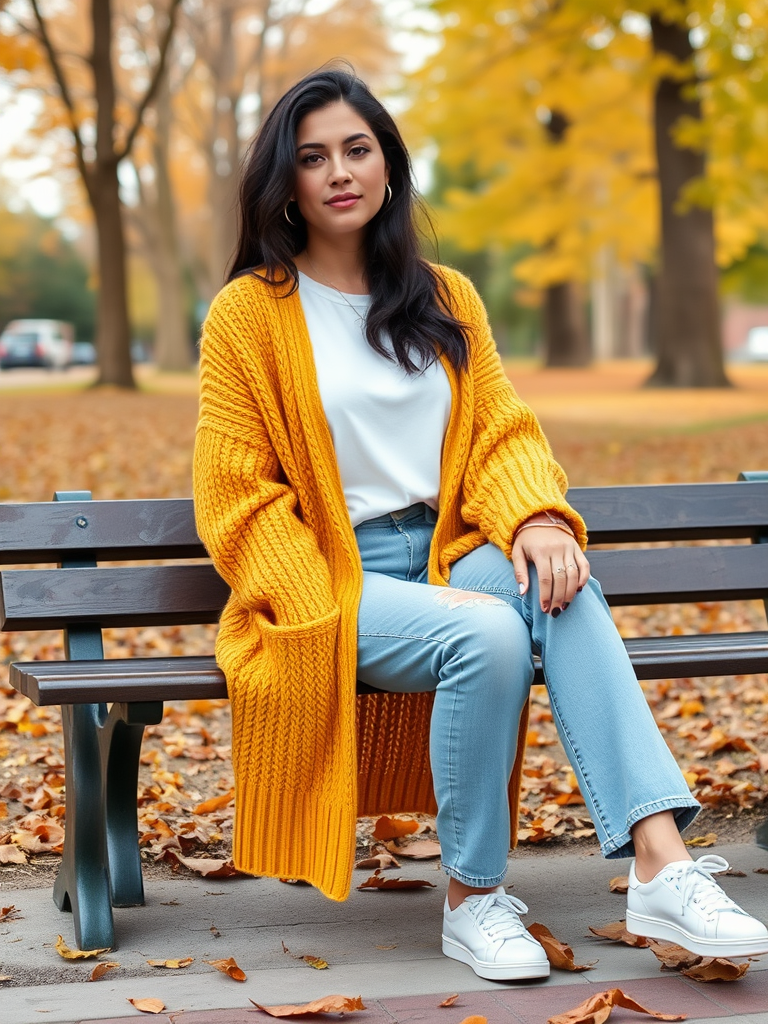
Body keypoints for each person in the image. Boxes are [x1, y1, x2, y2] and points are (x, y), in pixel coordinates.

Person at [193, 66, 768, 982]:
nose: (340, 171)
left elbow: (499, 430)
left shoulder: (445, 296)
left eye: (357, 148)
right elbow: (237, 494)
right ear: (285, 184)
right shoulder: (249, 314)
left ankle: (661, 862)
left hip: (452, 552)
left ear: (387, 165)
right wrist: (315, 599)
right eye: (313, 157)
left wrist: (538, 519)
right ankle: (475, 897)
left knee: (560, 583)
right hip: (336, 576)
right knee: (490, 635)